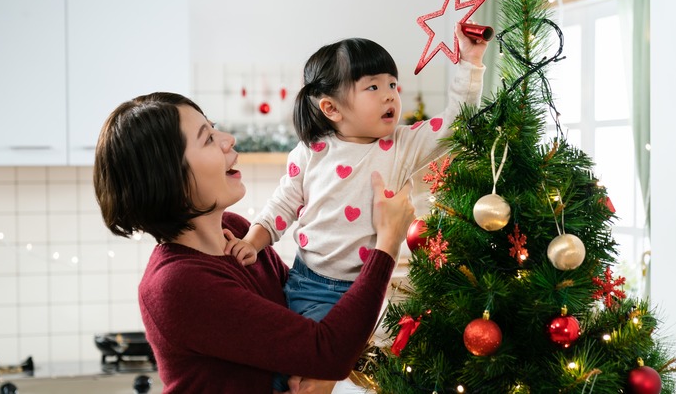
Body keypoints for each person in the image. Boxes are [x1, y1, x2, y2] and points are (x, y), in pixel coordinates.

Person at [93, 92, 415, 394]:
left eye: (214, 128)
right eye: (207, 138)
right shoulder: (176, 284)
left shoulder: (237, 233)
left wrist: (318, 368)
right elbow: (327, 349)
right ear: (169, 179)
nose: (227, 139)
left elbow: (307, 327)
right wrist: (386, 242)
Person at [226, 24, 486, 319]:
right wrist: (251, 242)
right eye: (373, 87)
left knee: (372, 359)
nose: (390, 96)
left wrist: (471, 62)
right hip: (311, 287)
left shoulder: (403, 144)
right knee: (322, 356)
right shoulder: (312, 151)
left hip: (373, 288)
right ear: (332, 108)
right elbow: (282, 206)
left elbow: (457, 121)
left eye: (392, 84)